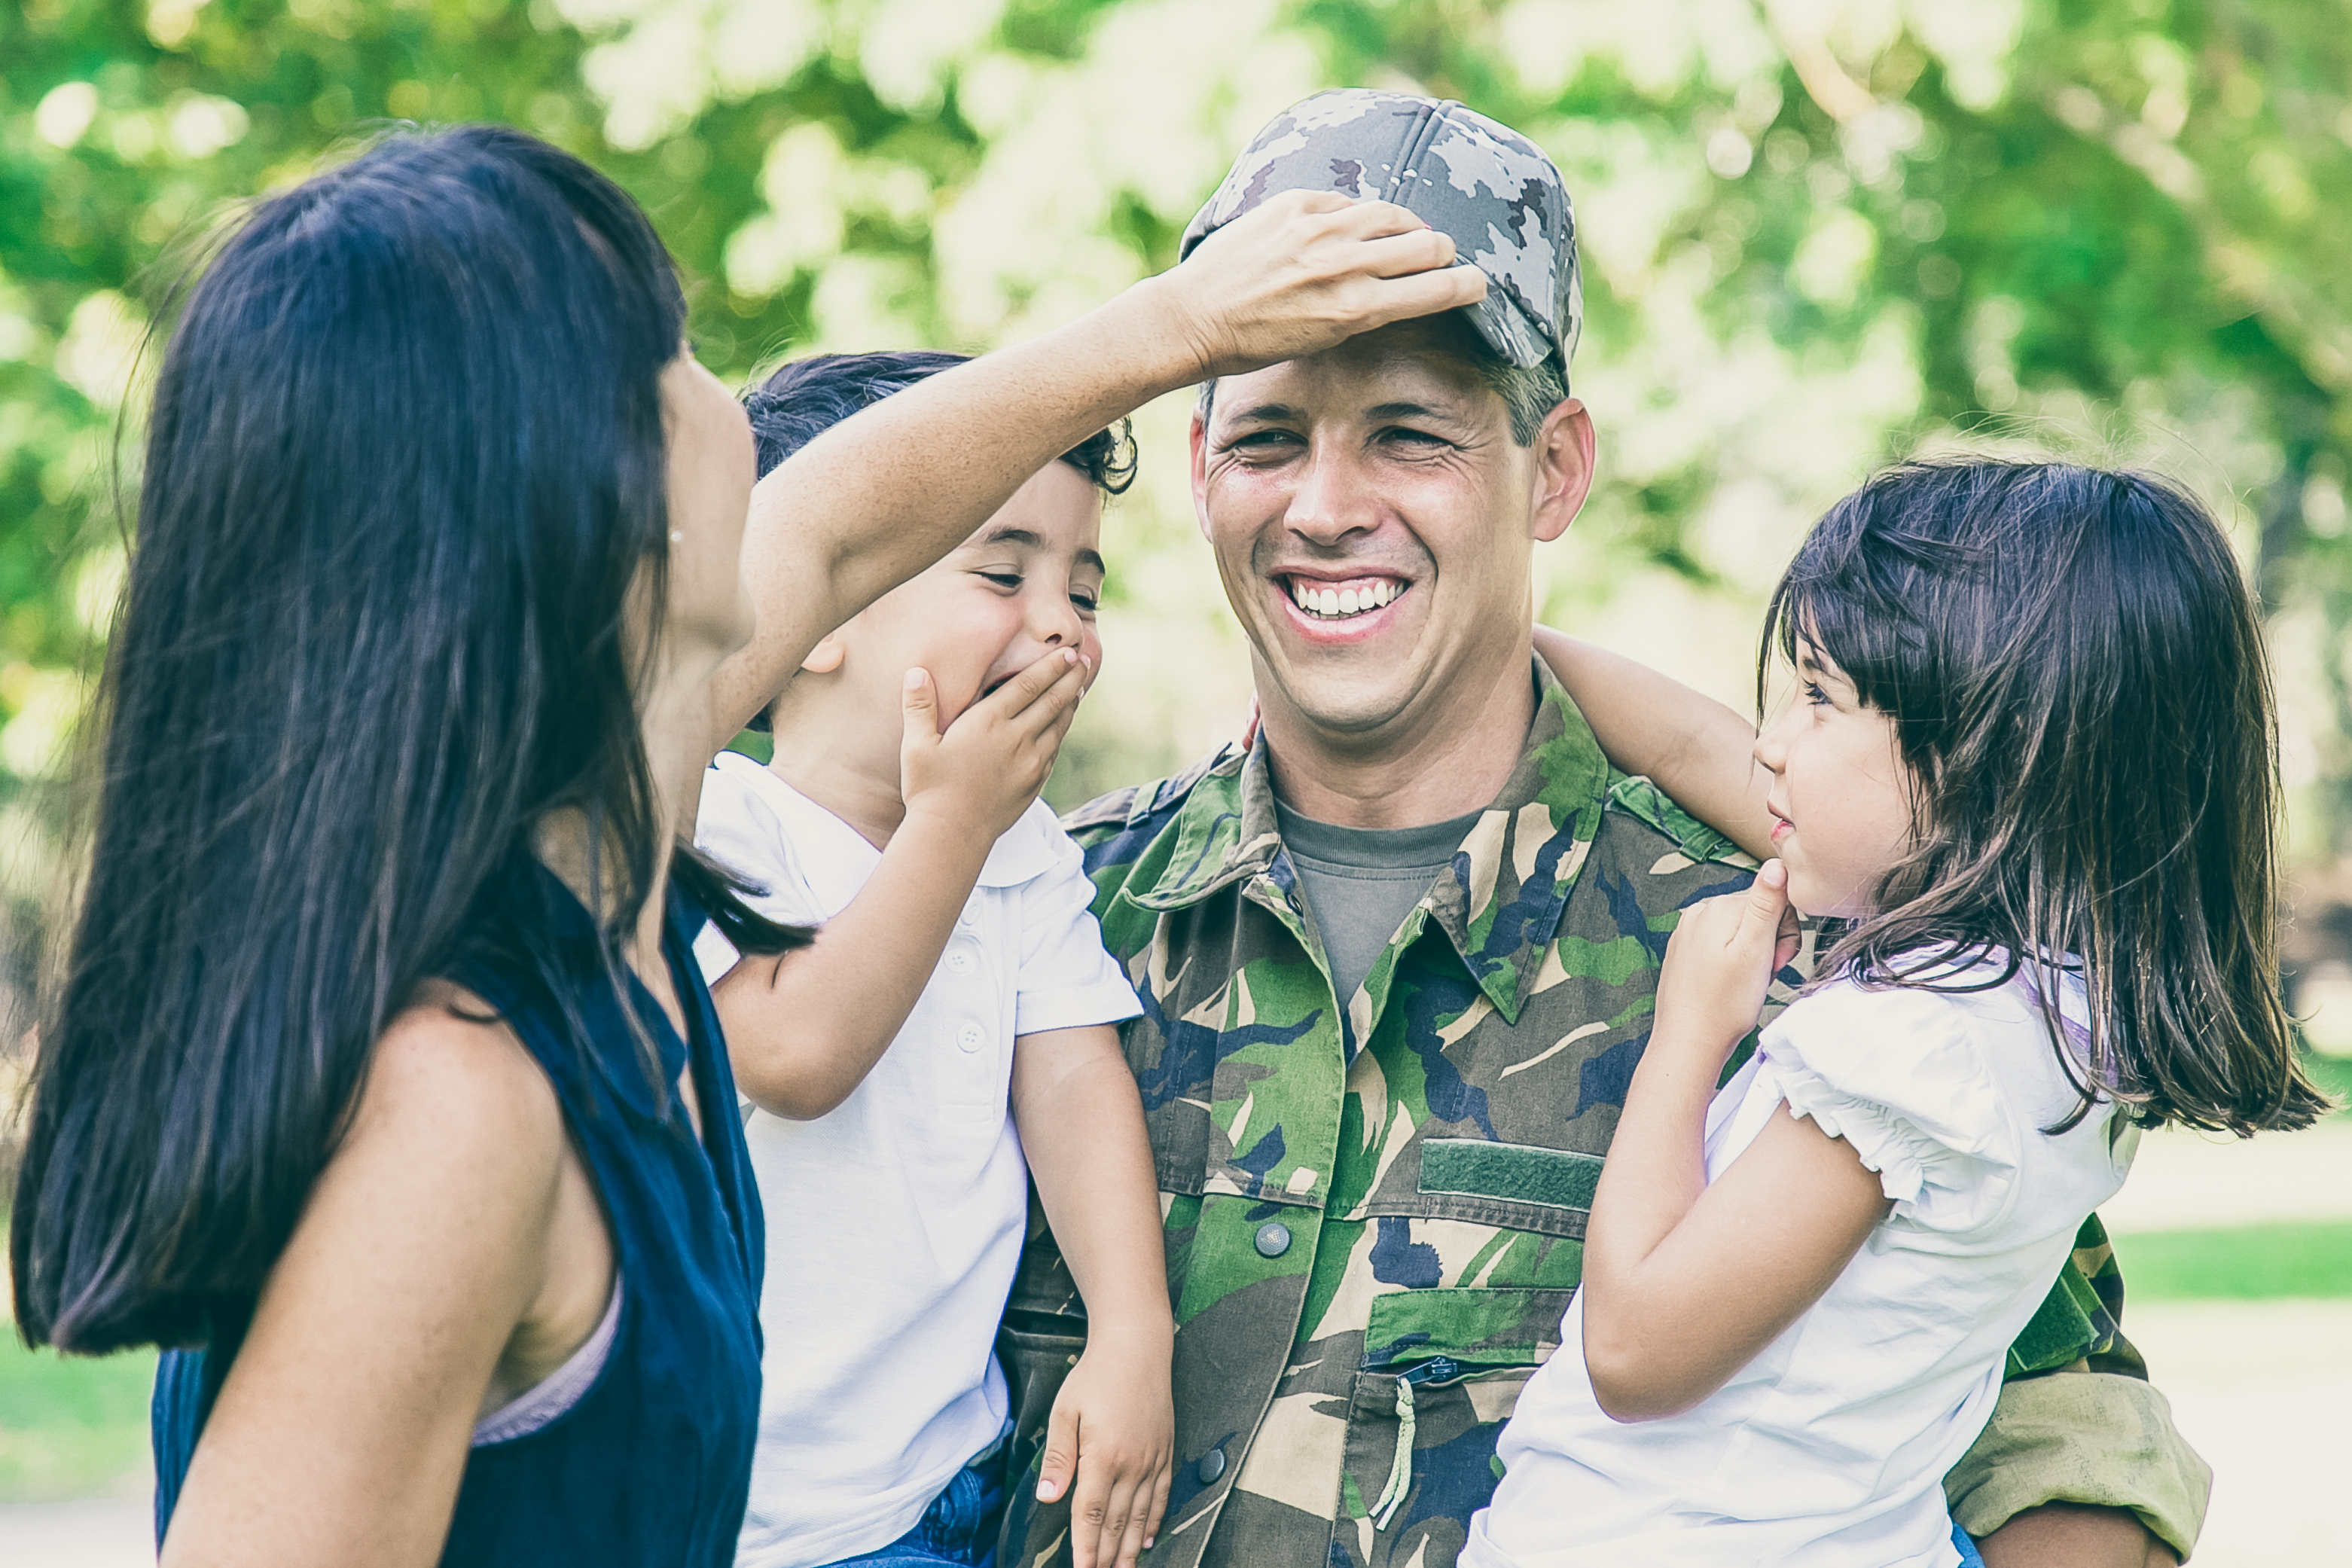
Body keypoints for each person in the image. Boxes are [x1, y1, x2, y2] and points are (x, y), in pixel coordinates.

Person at [5, 119, 1482, 1566]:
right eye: (671, 353)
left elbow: (843, 530)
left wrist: (1185, 327)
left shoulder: (598, 855)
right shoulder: (446, 1108)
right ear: (599, 503)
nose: (725, 392)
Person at [995, 90, 2214, 1568]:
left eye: (1406, 434)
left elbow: (2060, 1441)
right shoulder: (1039, 917)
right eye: (1265, 435)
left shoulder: (1818, 960)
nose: (1323, 505)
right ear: (1196, 473)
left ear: (1555, 468)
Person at [1466, 460, 2329, 1566]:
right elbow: (1694, 746)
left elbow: (1637, 1349)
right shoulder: (2053, 1003)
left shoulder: (1912, 1049)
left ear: (1991, 759)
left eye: (1820, 697)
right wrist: (1480, 650)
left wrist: (1689, 1032)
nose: (1773, 741)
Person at [694, 351, 1168, 1568]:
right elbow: (797, 1053)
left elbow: (1071, 1080)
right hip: (744, 1517)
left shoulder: (1025, 852)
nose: (1059, 621)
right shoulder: (715, 829)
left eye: (1085, 589)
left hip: (933, 1497)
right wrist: (950, 823)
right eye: (1003, 572)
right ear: (811, 619)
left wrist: (1132, 1329)